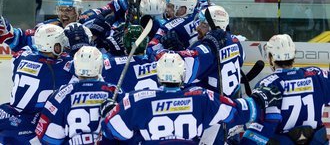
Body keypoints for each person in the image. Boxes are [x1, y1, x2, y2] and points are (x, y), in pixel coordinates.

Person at [99, 52, 282, 144]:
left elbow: (115, 132)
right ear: (183, 74)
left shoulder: (137, 100)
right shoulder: (201, 97)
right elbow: (237, 112)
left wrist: (108, 113)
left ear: (158, 75)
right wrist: (260, 99)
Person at [241, 34, 330, 144]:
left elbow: (264, 127)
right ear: (294, 55)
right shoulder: (317, 74)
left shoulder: (267, 84)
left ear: (271, 58)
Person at [0, 24, 75, 144]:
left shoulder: (22, 54)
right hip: (35, 127)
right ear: (54, 45)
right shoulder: (63, 67)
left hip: (10, 119)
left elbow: (21, 41)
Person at [36, 46, 121, 144]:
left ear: (75, 66)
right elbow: (128, 132)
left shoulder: (61, 94)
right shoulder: (114, 91)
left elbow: (49, 139)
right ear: (100, 66)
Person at [102, 24, 160, 93]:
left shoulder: (112, 63)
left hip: (126, 102)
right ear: (145, 42)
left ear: (125, 42)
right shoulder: (160, 62)